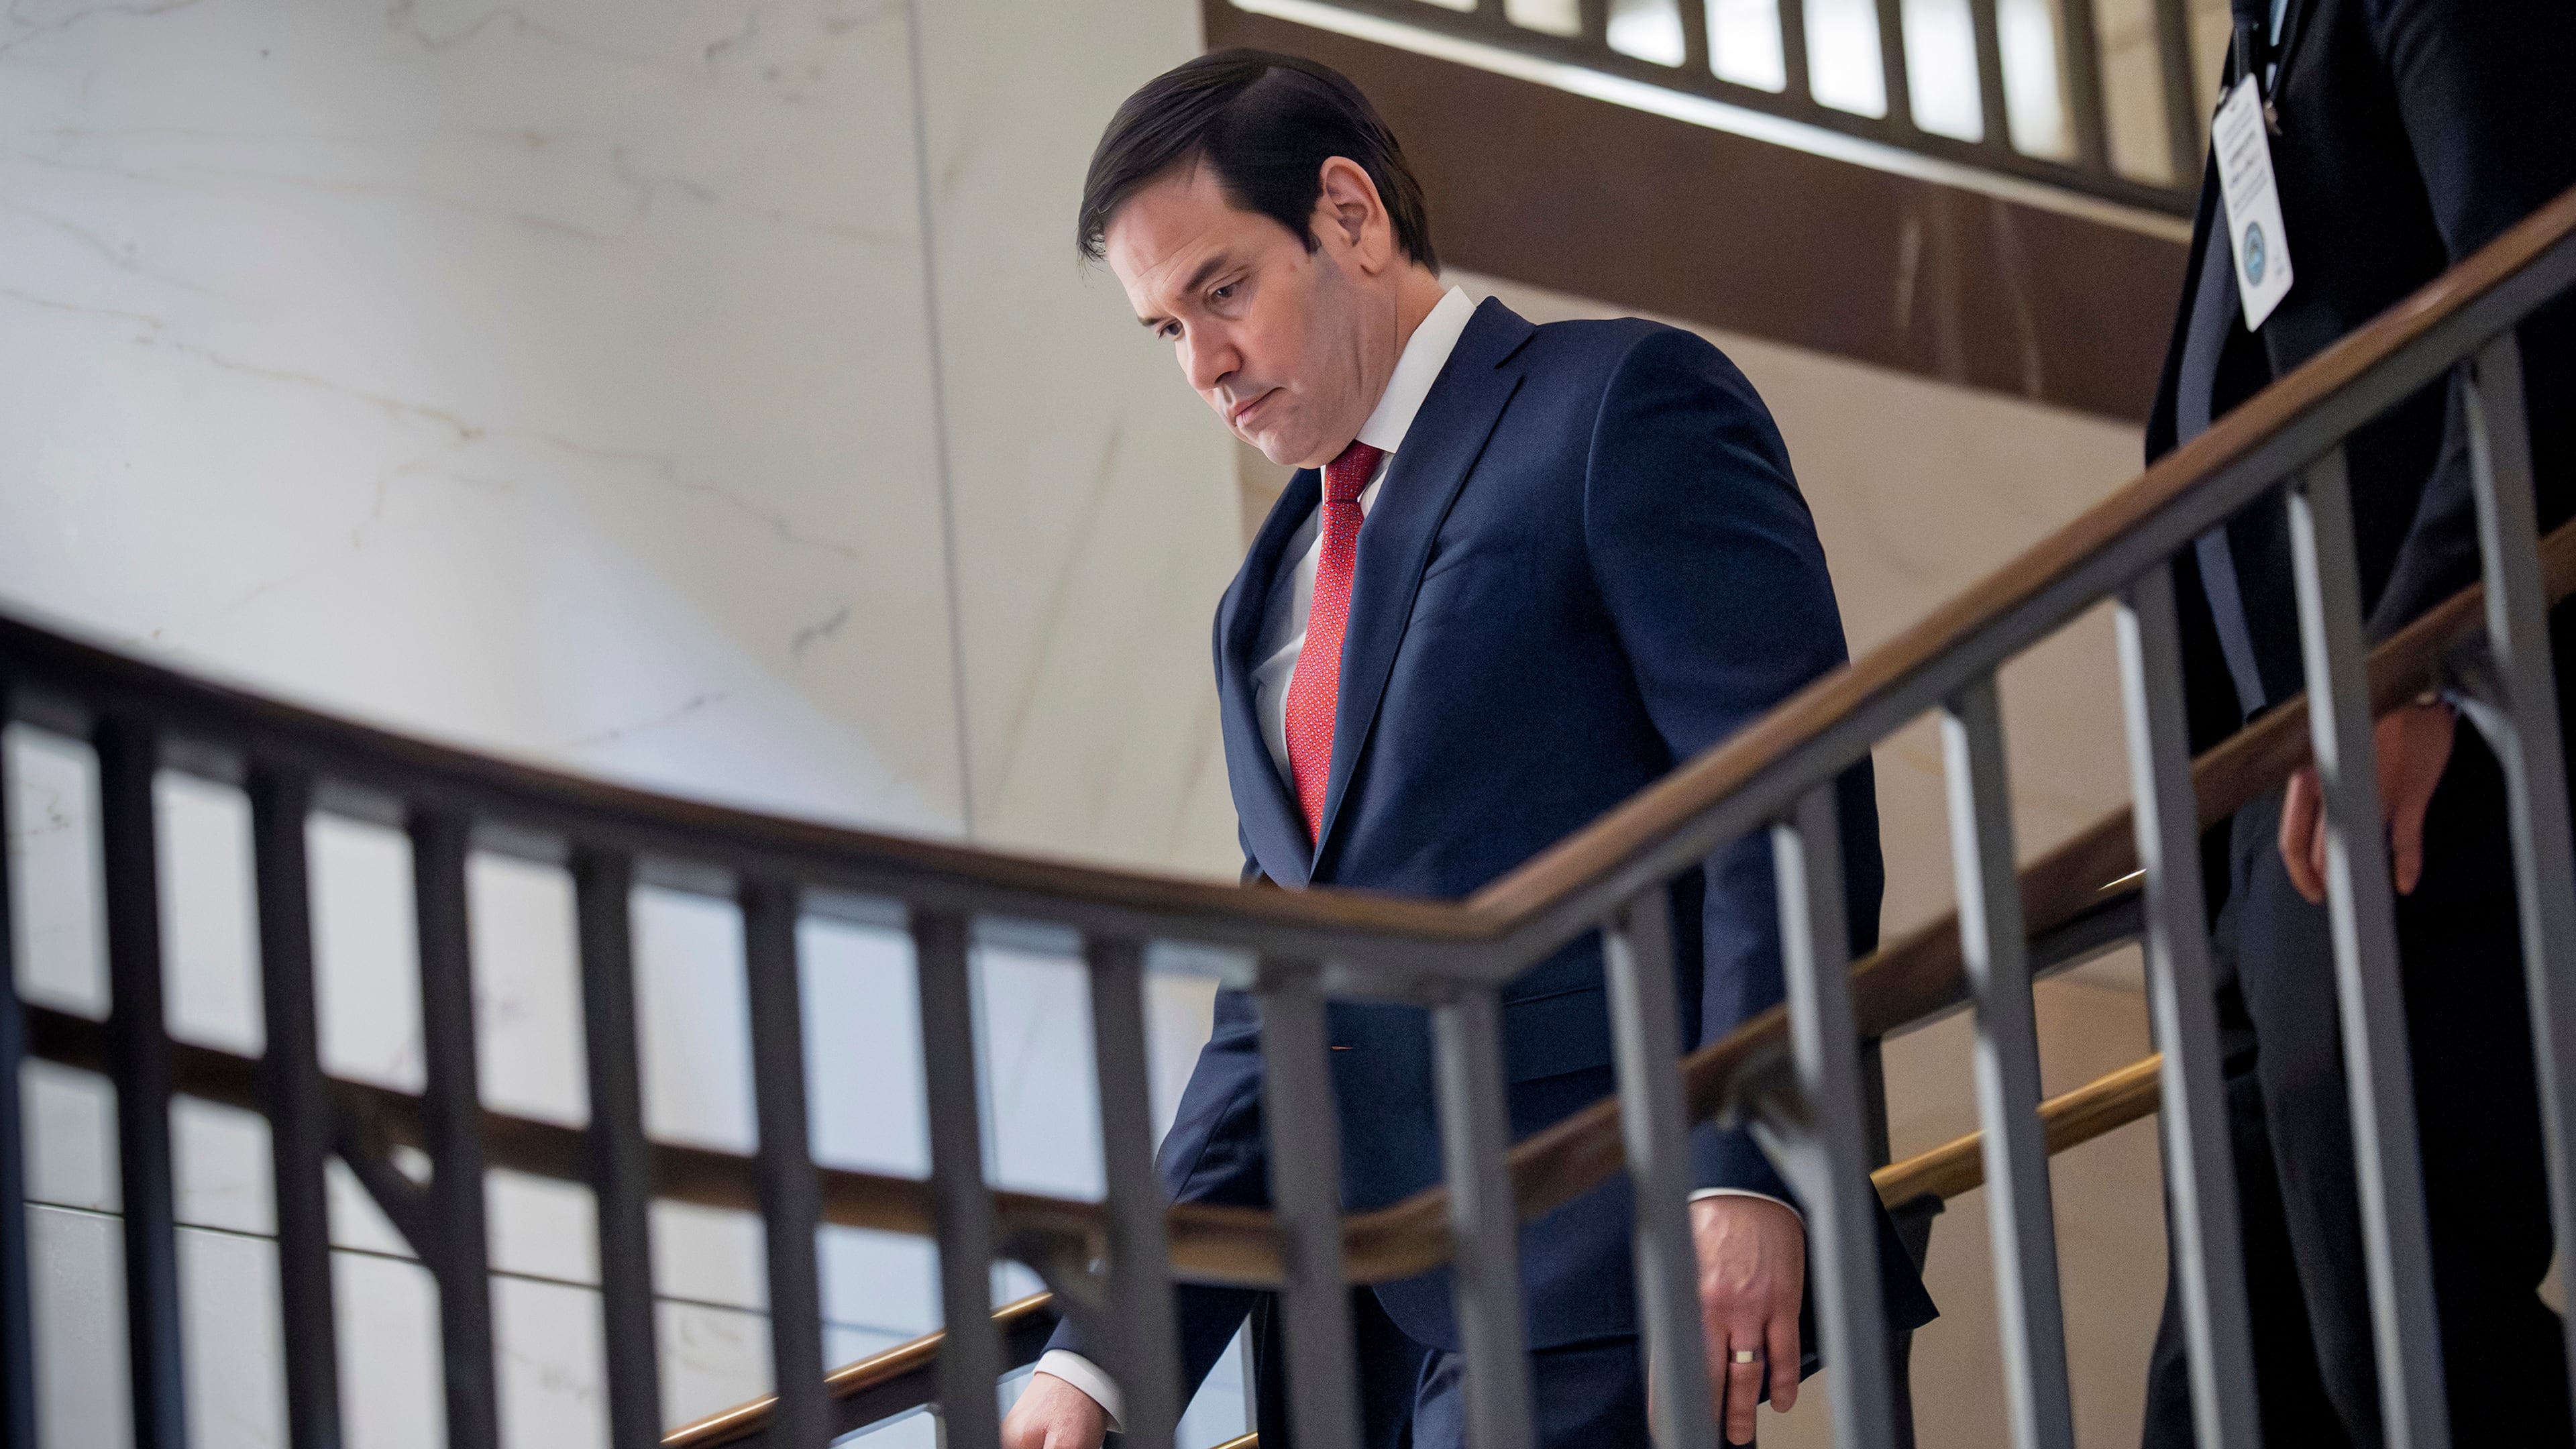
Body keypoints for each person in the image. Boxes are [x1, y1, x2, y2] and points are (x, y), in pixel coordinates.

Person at [997, 50, 1933, 1449]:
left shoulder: (1617, 406)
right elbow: (1278, 1010)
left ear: (1351, 214)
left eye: (1223, 291)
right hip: (1361, 1340)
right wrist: (1103, 1361)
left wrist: (1746, 1162)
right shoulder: (1261, 600)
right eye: (1164, 330)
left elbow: (1783, 802)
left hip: (1606, 1248)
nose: (1203, 366)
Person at [2137, 1, 2576, 1444]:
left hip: (2397, 763)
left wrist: (2415, 659)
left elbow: (2539, 289)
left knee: (2411, 1345)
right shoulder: (2263, 28)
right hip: (2259, 802)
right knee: (2227, 1390)